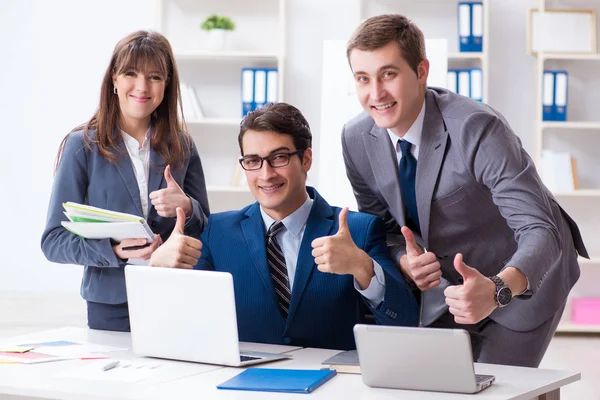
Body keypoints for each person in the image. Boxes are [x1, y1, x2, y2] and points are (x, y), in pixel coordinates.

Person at [341, 14, 588, 367]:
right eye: (363, 79)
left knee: (499, 387)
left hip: (526, 277)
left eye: (389, 74)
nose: (375, 93)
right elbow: (383, 227)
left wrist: (497, 290)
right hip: (454, 286)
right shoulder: (356, 139)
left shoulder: (476, 128)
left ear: (422, 71)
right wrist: (404, 260)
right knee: (433, 380)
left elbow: (540, 230)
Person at [149, 102, 419, 350]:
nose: (266, 175)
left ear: (306, 159)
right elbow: (180, 322)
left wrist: (363, 266)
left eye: (279, 158)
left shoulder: (358, 230)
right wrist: (158, 270)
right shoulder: (218, 231)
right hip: (247, 385)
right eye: (253, 161)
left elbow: (404, 320)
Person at [41, 30, 210, 332]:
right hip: (111, 305)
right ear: (114, 80)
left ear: (166, 85)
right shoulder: (81, 146)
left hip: (175, 297)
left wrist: (187, 205)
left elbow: (206, 229)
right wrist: (115, 250)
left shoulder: (182, 147)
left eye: (155, 77)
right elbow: (54, 241)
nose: (142, 87)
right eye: (131, 73)